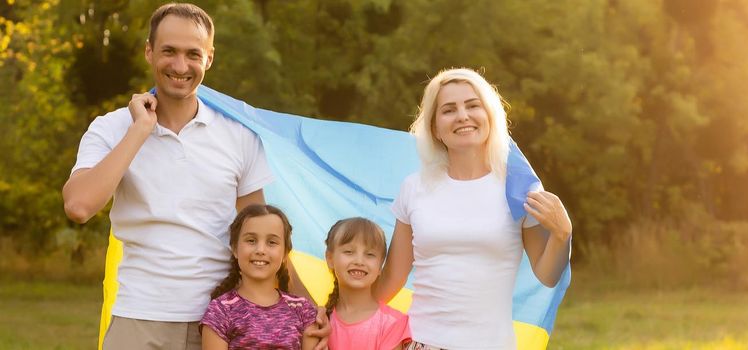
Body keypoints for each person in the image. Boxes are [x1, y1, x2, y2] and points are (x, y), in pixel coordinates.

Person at [61, 3, 326, 349]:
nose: (180, 66)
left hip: (223, 322)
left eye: (193, 54)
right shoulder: (112, 128)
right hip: (141, 318)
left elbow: (263, 234)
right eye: (169, 51)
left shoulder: (239, 136)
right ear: (149, 51)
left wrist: (307, 307)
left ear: (209, 58)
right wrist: (140, 131)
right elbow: (79, 206)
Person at [374, 68, 573, 350]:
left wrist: (563, 234)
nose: (463, 116)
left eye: (472, 105)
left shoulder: (518, 188)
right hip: (423, 343)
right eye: (448, 110)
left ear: (490, 116)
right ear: (434, 128)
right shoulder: (413, 188)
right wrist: (344, 314)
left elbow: (547, 275)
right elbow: (393, 277)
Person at [201, 204, 319, 350]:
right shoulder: (220, 311)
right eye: (251, 240)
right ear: (235, 248)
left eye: (272, 242)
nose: (260, 250)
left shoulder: (303, 309)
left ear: (285, 253)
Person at [324, 218, 411, 350]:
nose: (359, 261)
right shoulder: (320, 320)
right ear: (330, 258)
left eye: (370, 254)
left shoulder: (393, 323)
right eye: (349, 252)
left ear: (380, 266)